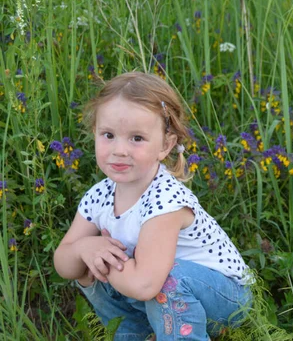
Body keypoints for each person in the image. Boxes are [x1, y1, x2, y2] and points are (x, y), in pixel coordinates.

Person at [53, 72, 252, 341]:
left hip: (223, 299)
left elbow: (146, 285)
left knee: (159, 277)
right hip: (153, 295)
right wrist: (84, 249)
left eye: (136, 138)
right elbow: (64, 263)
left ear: (165, 145)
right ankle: (137, 335)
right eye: (108, 135)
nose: (119, 150)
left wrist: (104, 260)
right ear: (94, 134)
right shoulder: (98, 195)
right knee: (87, 261)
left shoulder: (165, 200)